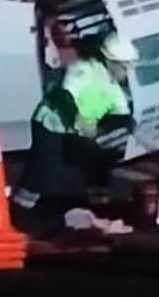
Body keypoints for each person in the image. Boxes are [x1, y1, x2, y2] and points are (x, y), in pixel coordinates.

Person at [12, 31, 138, 210]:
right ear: (111, 61)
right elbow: (65, 96)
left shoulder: (114, 89)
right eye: (125, 67)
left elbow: (116, 115)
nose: (127, 72)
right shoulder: (84, 69)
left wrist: (124, 123)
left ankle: (99, 209)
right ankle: (19, 208)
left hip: (72, 131)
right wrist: (78, 118)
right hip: (51, 124)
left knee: (97, 160)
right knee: (45, 169)